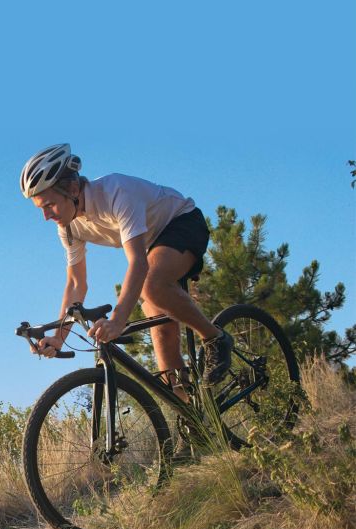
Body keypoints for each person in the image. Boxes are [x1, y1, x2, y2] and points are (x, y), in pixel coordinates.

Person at [20, 143, 232, 397]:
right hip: (152, 243)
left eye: (49, 205)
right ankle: (190, 416)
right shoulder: (68, 227)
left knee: (151, 285)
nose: (45, 215)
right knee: (159, 324)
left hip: (181, 222)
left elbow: (138, 263)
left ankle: (215, 338)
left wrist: (118, 319)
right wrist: (58, 338)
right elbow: (76, 284)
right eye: (40, 208)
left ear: (73, 189)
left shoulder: (116, 192)